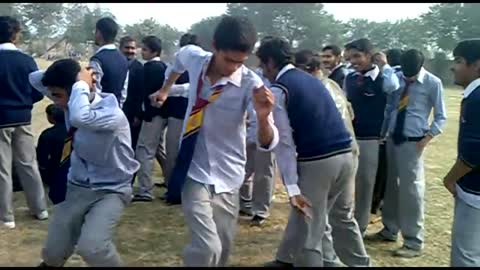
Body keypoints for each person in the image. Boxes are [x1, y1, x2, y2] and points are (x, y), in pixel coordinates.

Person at [149, 15, 278, 266]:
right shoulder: (194, 58)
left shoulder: (251, 84)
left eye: (239, 62)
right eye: (228, 60)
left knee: (222, 251)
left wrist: (263, 119)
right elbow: (178, 61)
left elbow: (267, 143)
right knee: (208, 247)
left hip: (228, 176)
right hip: (193, 170)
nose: (232, 68)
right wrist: (166, 89)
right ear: (215, 45)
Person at [260, 38, 368, 267]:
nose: (262, 71)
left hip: (320, 162)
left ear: (269, 62)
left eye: (262, 65)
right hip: (346, 156)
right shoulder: (313, 80)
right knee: (335, 218)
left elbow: (285, 144)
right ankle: (356, 263)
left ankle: (312, 261)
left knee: (310, 229)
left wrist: (291, 188)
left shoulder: (279, 90)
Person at [31, 58, 139, 267]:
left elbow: (81, 118)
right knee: (53, 254)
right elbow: (34, 79)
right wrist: (78, 72)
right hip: (77, 187)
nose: (55, 102)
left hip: (111, 190)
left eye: (58, 95)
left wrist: (81, 83)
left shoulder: (110, 113)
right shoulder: (68, 102)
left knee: (93, 247)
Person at [368, 49, 447, 258]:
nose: (408, 77)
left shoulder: (433, 83)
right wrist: (384, 133)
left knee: (411, 191)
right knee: (391, 188)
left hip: (413, 143)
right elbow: (390, 107)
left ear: (421, 67)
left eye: (412, 74)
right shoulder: (397, 79)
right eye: (406, 73)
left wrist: (427, 138)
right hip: (393, 138)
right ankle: (389, 230)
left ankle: (413, 241)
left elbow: (441, 116)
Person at [294, 49, 362, 266]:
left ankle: (330, 261)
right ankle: (359, 262)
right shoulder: (332, 85)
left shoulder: (311, 90)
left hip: (327, 156)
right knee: (342, 215)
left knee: (318, 215)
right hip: (349, 152)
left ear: (308, 70)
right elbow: (351, 115)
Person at [343, 38, 400, 238]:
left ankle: (360, 225)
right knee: (346, 182)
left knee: (366, 184)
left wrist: (384, 65)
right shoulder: (349, 78)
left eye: (357, 56)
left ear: (370, 55)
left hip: (371, 139)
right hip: (349, 137)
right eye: (350, 58)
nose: (353, 61)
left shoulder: (384, 78)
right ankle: (345, 221)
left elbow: (394, 87)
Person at [0, 15, 48, 229]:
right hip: (23, 117)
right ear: (16, 35)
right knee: (29, 164)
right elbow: (38, 90)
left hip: (0, 119)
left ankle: (7, 216)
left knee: (3, 169)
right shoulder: (27, 60)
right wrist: (25, 101)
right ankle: (40, 209)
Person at [445, 39, 480, 267]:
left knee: (465, 255)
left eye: (458, 61)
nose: (453, 67)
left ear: (476, 65)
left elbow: (475, 150)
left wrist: (450, 178)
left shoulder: (476, 98)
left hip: (475, 188)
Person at [159, 33, 199, 201]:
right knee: (178, 152)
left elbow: (168, 84)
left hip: (184, 113)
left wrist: (167, 91)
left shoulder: (199, 66)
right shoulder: (200, 66)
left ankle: (176, 189)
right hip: (188, 113)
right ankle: (175, 187)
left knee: (176, 152)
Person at [133, 35, 168, 202]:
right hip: (162, 114)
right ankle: (170, 181)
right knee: (159, 150)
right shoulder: (164, 67)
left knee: (144, 150)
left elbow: (143, 95)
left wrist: (140, 115)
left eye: (145, 49)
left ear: (154, 51)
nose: (142, 52)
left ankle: (145, 190)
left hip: (152, 114)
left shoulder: (148, 68)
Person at [89, 17, 129, 108]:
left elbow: (95, 90)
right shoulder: (123, 59)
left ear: (99, 33)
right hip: (117, 111)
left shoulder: (97, 60)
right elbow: (124, 91)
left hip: (101, 112)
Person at [36, 104, 68, 204]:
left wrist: (43, 169)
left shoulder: (47, 135)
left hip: (55, 171)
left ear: (51, 117)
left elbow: (42, 159)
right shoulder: (75, 131)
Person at [120, 35, 144, 152]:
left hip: (132, 113)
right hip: (116, 111)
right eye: (127, 48)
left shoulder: (139, 68)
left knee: (131, 145)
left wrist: (138, 115)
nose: (130, 51)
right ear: (120, 48)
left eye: (132, 48)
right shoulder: (116, 65)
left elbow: (141, 93)